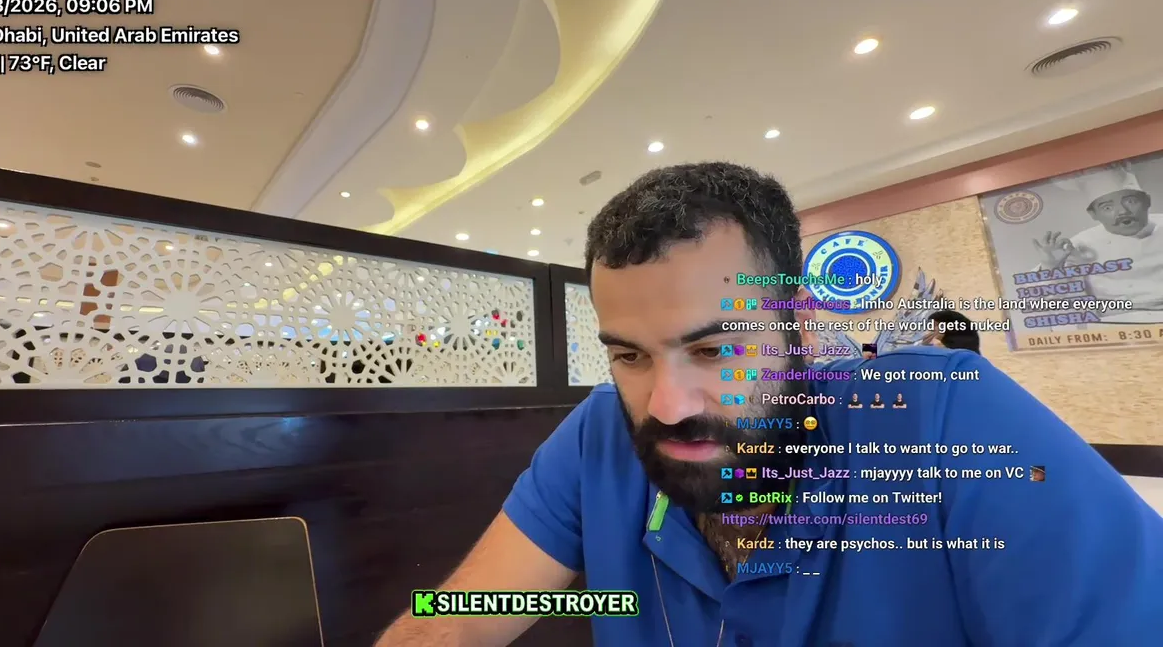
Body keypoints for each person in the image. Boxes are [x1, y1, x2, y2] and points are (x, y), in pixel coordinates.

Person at [374, 162, 1163, 646]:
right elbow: (461, 616)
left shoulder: (939, 416)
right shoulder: (598, 439)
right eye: (630, 356)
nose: (668, 406)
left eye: (716, 350)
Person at [1032, 163, 1163, 322]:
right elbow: (1042, 303)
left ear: (1147, 201)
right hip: (1115, 325)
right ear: (1093, 214)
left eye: (1130, 201)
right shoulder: (1081, 244)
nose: (1123, 211)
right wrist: (1050, 266)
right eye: (1107, 207)